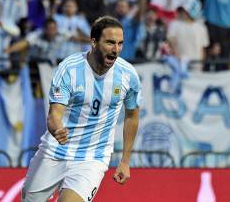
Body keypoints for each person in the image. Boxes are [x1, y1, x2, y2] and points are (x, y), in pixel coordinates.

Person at [21, 15, 142, 202]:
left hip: (92, 158)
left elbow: (132, 116)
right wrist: (57, 129)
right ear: (94, 42)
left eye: (120, 43)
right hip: (54, 152)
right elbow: (54, 114)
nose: (116, 50)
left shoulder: (128, 74)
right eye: (110, 43)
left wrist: (125, 161)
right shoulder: (69, 69)